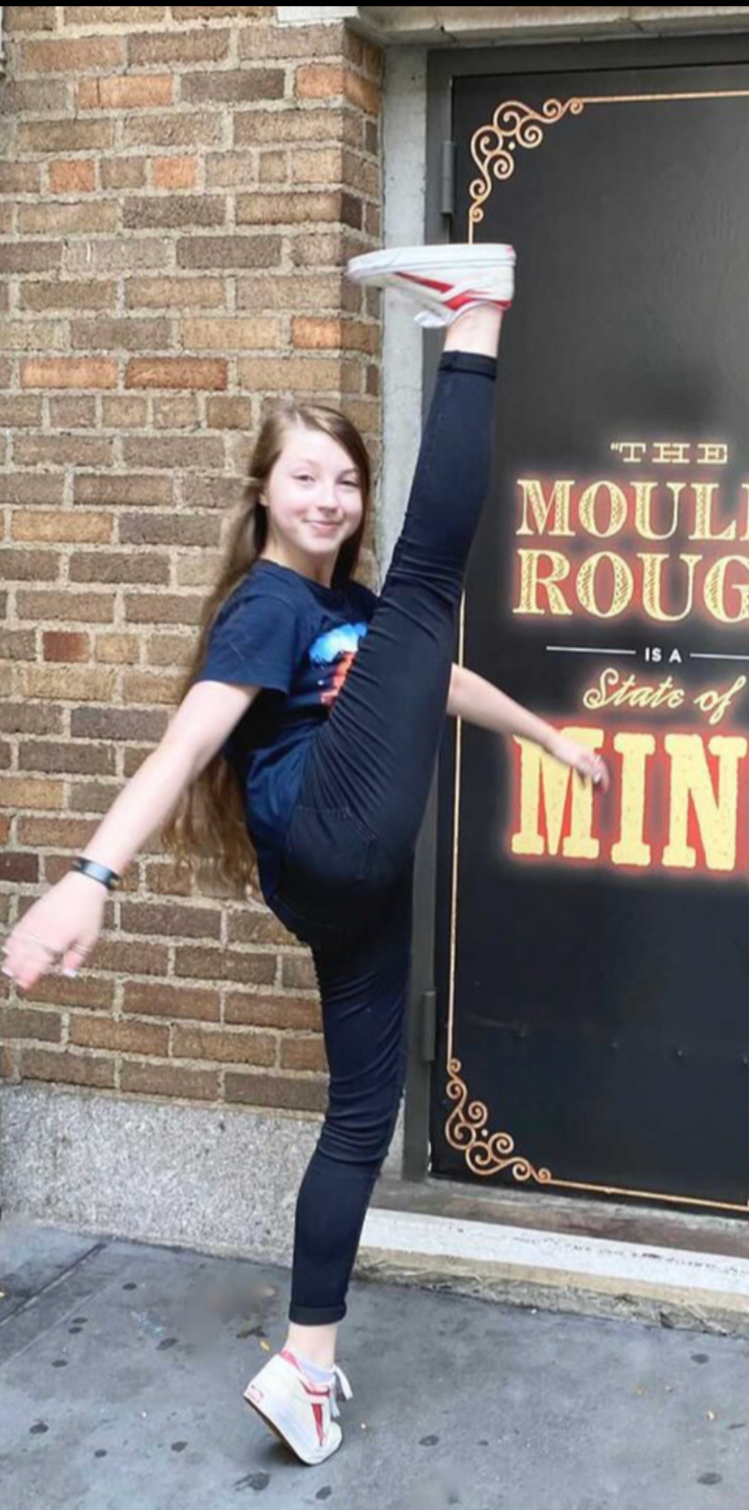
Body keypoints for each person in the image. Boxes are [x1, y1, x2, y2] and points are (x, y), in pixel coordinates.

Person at [1, 243, 609, 1466]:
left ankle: (306, 1366)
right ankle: (476, 311)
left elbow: (432, 677)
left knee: (360, 1112)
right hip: (326, 826)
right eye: (305, 481)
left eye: (345, 481)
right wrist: (90, 877)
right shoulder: (272, 606)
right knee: (437, 579)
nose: (329, 500)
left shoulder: (350, 615)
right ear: (265, 496)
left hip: (350, 884)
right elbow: (186, 747)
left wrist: (554, 743)